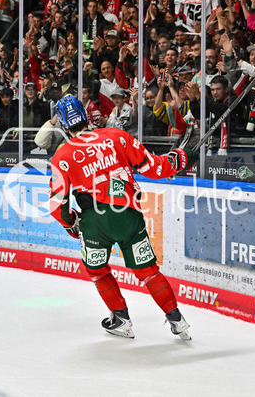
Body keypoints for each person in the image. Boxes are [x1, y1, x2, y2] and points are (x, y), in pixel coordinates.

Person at [48, 94, 196, 339]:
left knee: (97, 270)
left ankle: (121, 320)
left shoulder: (62, 156)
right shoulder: (116, 136)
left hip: (94, 222)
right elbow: (155, 167)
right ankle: (177, 319)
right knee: (148, 271)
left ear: (64, 126)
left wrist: (71, 223)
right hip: (128, 215)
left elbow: (57, 204)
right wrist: (183, 157)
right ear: (85, 116)